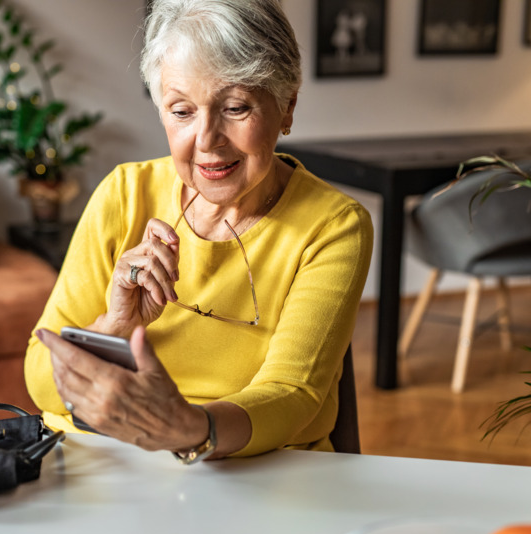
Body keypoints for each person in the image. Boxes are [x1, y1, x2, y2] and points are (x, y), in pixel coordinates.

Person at [25, 0, 373, 462]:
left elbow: (293, 396)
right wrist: (113, 329)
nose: (207, 140)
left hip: (255, 474)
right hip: (102, 464)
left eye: (234, 107)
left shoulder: (332, 226)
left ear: (286, 107)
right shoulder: (124, 194)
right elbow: (40, 378)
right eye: (182, 111)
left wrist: (189, 429)